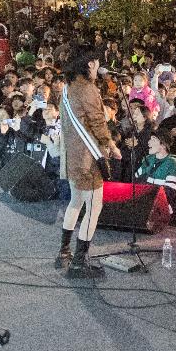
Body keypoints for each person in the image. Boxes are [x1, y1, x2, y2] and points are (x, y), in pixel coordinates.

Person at [58, 52, 122, 276]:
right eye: (97, 63)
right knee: (94, 207)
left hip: (72, 155)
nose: (98, 68)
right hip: (88, 157)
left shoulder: (67, 87)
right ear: (90, 64)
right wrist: (111, 146)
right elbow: (97, 122)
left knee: (75, 202)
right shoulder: (88, 89)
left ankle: (64, 251)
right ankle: (79, 262)